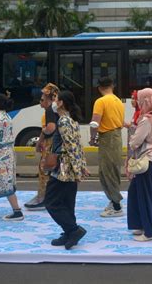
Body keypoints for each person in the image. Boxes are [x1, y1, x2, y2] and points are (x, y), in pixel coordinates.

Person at [45, 90, 88, 250]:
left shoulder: (63, 121)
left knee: (51, 202)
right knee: (67, 202)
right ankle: (69, 232)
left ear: (61, 102)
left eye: (56, 99)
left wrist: (79, 168)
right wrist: (81, 166)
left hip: (62, 168)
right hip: (69, 167)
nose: (54, 101)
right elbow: (78, 145)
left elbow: (71, 146)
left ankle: (73, 230)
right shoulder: (72, 120)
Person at [127, 88, 152, 241]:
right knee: (135, 192)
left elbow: (135, 142)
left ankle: (150, 232)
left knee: (143, 196)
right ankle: (140, 225)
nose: (138, 102)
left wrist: (132, 136)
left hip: (146, 160)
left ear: (146, 101)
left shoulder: (146, 119)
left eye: (140, 99)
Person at [90, 77, 125, 217]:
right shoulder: (118, 101)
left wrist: (92, 138)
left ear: (99, 88)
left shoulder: (101, 101)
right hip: (116, 136)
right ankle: (113, 199)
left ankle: (116, 206)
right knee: (113, 169)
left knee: (106, 171)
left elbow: (94, 123)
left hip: (107, 137)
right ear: (112, 86)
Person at [25, 83, 60, 210]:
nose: (40, 102)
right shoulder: (57, 110)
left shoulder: (50, 110)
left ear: (49, 98)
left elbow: (51, 128)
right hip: (55, 144)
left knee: (44, 170)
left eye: (42, 99)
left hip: (50, 144)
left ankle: (43, 198)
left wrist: (42, 137)